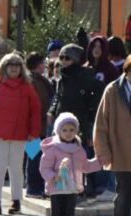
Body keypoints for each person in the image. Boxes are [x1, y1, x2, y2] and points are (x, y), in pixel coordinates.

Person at [0, 53, 41, 215]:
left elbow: (35, 110)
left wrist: (34, 133)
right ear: (4, 67)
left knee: (16, 169)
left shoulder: (27, 86)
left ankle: (16, 201)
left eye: (17, 66)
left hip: (19, 134)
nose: (13, 68)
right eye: (10, 65)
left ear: (21, 69)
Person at [40, 113, 103, 216]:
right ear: (58, 131)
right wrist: (52, 177)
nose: (68, 133)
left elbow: (85, 166)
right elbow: (44, 167)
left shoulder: (78, 149)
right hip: (57, 188)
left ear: (76, 131)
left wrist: (99, 162)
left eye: (71, 130)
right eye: (65, 130)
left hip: (73, 188)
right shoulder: (52, 149)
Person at [49, 44, 105, 198]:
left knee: (84, 155)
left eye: (67, 58)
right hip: (62, 122)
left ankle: (89, 186)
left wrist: (90, 122)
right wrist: (52, 111)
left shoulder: (85, 76)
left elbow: (95, 98)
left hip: (81, 121)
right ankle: (65, 185)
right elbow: (58, 97)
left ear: (75, 59)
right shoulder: (62, 76)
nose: (63, 61)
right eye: (61, 58)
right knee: (60, 154)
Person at [94, 55, 131, 216]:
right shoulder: (113, 90)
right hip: (122, 153)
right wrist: (103, 151)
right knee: (123, 196)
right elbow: (101, 124)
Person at [26, 52, 54, 198]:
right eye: (42, 62)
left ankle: (37, 187)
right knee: (34, 157)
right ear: (37, 65)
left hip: (42, 125)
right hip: (33, 126)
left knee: (38, 157)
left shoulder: (41, 80)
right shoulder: (31, 81)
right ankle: (33, 188)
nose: (45, 65)